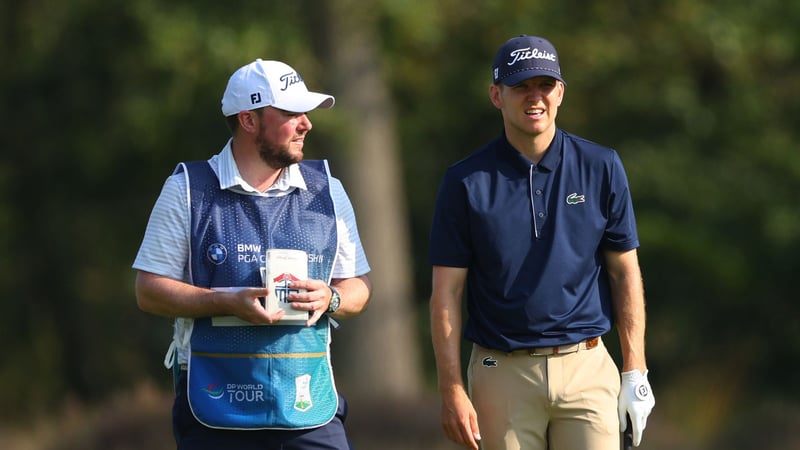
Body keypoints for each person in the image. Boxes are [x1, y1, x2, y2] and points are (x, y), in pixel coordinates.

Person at [428, 35, 655, 450]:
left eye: (545, 86)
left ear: (560, 92)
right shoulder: (465, 181)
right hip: (502, 370)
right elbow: (447, 293)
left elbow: (625, 271)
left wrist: (634, 370)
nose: (535, 98)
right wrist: (451, 388)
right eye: (521, 87)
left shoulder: (601, 166)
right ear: (497, 95)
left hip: (587, 364)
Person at [133, 58, 372, 450]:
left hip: (308, 406)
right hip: (215, 407)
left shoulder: (329, 189)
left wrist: (332, 298)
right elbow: (148, 291)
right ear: (248, 120)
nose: (306, 123)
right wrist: (222, 301)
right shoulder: (187, 189)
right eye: (291, 113)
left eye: (305, 113)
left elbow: (358, 286)